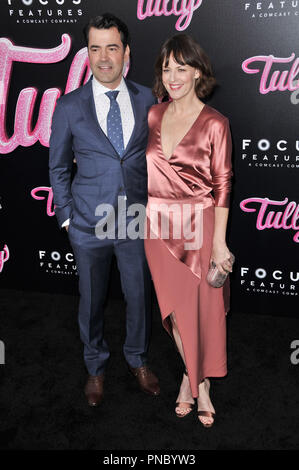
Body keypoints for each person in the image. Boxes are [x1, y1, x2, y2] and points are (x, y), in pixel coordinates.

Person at [49, 13, 160, 407]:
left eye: (111, 47)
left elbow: (159, 160)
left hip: (133, 219)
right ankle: (95, 366)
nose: (103, 57)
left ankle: (137, 359)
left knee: (137, 296)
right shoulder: (68, 106)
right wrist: (66, 217)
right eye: (94, 48)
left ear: (126, 52)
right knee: (91, 299)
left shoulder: (148, 98)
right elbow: (58, 167)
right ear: (87, 53)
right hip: (87, 223)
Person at [144, 34, 233, 427]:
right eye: (167, 68)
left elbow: (223, 185)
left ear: (198, 72)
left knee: (200, 312)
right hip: (156, 226)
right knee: (177, 316)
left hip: (199, 223)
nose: (173, 76)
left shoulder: (216, 123)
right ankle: (199, 382)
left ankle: (192, 382)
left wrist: (219, 243)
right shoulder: (153, 115)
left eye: (182, 68)